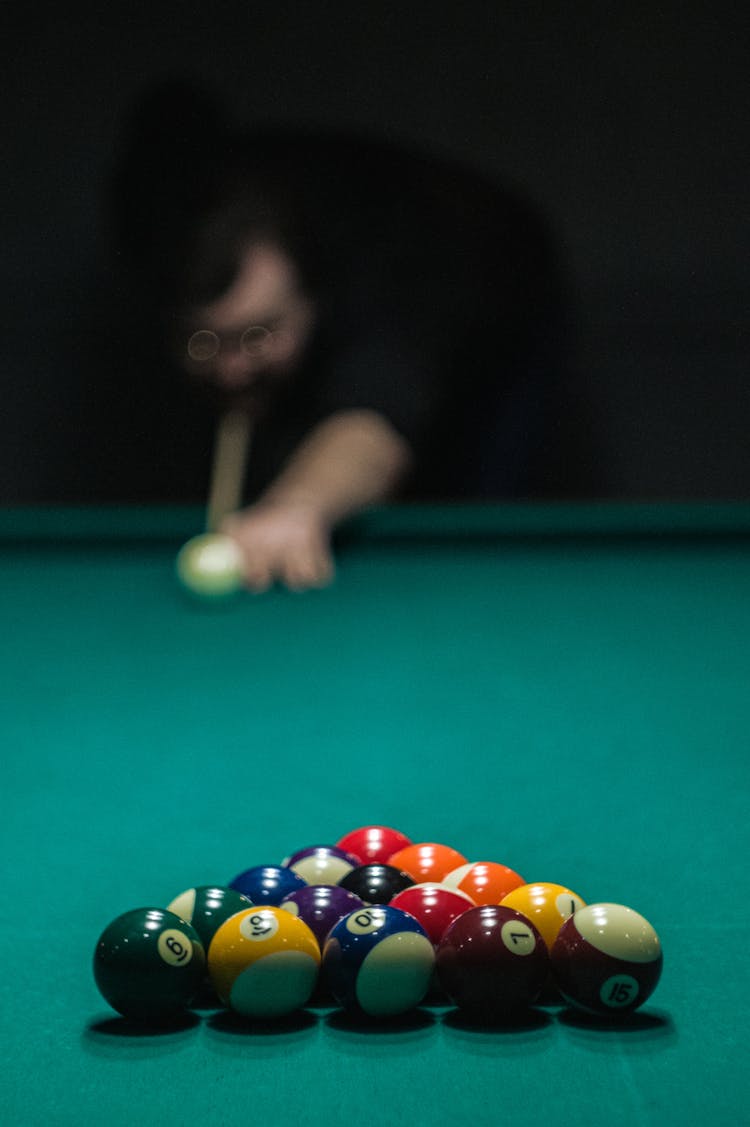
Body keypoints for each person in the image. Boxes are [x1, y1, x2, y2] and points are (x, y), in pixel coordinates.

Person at [111, 81, 568, 591]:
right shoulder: (159, 222)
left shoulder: (390, 270)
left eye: (258, 334)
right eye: (203, 343)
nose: (231, 368)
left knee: (477, 497)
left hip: (501, 302)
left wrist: (297, 505)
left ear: (315, 298)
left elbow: (372, 420)